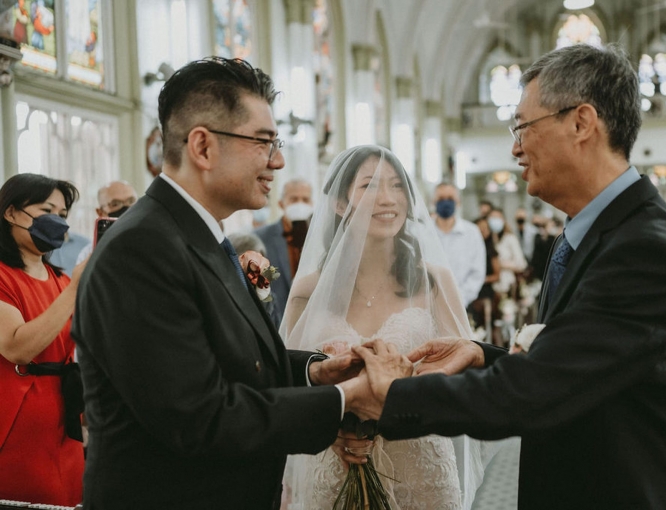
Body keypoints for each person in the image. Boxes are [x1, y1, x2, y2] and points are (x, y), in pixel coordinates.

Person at [345, 43, 666, 509]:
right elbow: (575, 366)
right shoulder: (586, 234)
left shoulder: (646, 249)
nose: (514, 148)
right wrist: (481, 355)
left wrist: (396, 395)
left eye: (522, 127)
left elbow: (537, 392)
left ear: (581, 123)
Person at [70, 57, 378, 509]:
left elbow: (232, 360)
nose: (278, 160)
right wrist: (343, 398)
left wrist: (315, 372)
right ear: (203, 147)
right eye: (263, 142)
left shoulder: (200, 233)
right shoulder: (140, 251)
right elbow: (200, 418)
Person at [281, 145, 485, 510]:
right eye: (370, 186)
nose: (388, 199)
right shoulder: (310, 290)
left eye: (397, 186)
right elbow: (289, 380)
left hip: (421, 464)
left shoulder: (434, 281)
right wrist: (331, 429)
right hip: (337, 462)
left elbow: (464, 372)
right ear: (340, 204)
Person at [0, 173, 87, 506]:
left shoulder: (61, 279)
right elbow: (17, 347)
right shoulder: (4, 275)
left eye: (63, 215)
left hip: (64, 420)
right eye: (46, 210)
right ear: (11, 213)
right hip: (16, 422)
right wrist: (76, 291)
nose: (58, 222)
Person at [255, 178, 313, 326]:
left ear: (312, 204)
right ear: (281, 203)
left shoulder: (321, 237)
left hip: (312, 323)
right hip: (277, 322)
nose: (300, 204)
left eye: (305, 199)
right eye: (294, 199)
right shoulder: (261, 237)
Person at [432, 182, 486, 309]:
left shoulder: (471, 232)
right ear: (433, 202)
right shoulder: (422, 231)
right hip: (427, 304)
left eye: (450, 199)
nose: (446, 202)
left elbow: (477, 272)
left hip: (462, 304)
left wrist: (459, 299)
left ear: (458, 202)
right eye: (441, 199)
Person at [75, 180, 139, 264]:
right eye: (115, 204)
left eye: (131, 201)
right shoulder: (89, 254)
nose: (126, 208)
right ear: (100, 212)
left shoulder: (153, 240)